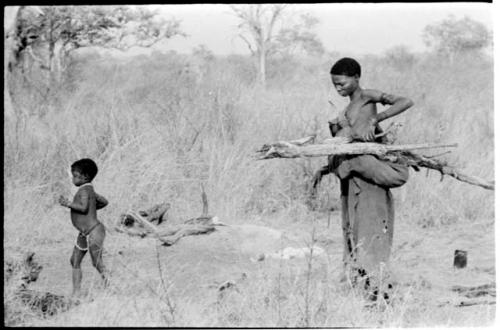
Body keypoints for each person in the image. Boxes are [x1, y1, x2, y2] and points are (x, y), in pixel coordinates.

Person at [326, 57, 414, 300]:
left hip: (369, 174)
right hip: (352, 177)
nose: (338, 88)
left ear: (356, 78)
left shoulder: (367, 97)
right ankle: (364, 289)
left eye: (342, 83)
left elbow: (406, 101)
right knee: (354, 230)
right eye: (335, 85)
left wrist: (377, 120)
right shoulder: (344, 109)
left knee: (371, 229)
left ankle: (380, 292)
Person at [58, 158, 109, 296]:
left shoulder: (85, 191)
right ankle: (76, 292)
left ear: (85, 176)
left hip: (93, 231)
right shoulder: (88, 189)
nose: (73, 179)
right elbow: (104, 202)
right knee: (74, 260)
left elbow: (84, 207)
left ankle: (110, 286)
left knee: (97, 261)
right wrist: (94, 202)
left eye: (75, 176)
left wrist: (67, 203)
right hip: (85, 232)